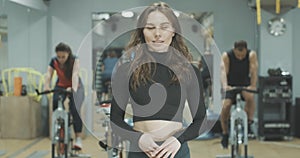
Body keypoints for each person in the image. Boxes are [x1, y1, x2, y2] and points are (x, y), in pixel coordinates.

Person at [109, 2, 206, 158]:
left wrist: (178, 140)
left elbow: (201, 120)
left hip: (175, 151)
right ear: (142, 32)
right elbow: (115, 120)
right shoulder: (126, 70)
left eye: (164, 27)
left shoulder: (189, 71)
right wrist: (138, 138)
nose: (158, 34)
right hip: (140, 150)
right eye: (150, 28)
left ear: (173, 31)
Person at [44, 42, 85, 149]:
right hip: (61, 85)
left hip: (76, 86)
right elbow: (48, 74)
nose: (61, 59)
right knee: (55, 103)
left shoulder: (74, 60)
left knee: (75, 109)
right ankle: (59, 128)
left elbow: (75, 74)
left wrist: (73, 88)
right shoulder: (53, 61)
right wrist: (47, 86)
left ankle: (78, 139)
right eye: (59, 57)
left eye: (63, 57)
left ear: (68, 54)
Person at [220, 40, 258, 149]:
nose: (240, 57)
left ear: (246, 50)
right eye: (238, 55)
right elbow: (223, 72)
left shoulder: (251, 55)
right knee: (226, 106)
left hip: (245, 85)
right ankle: (225, 133)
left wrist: (253, 85)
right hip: (231, 85)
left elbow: (254, 71)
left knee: (250, 97)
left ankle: (248, 123)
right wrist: (225, 85)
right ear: (234, 50)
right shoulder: (227, 55)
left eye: (243, 55)